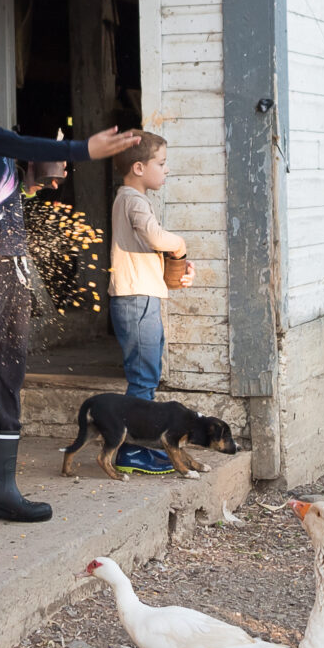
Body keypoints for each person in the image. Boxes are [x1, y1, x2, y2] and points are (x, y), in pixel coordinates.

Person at [0, 41, 141, 529]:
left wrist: (28, 186)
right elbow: (16, 144)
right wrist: (84, 149)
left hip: (9, 264)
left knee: (6, 371)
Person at [106, 131, 191, 472]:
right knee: (143, 377)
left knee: (147, 373)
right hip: (137, 299)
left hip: (141, 296)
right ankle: (129, 451)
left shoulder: (130, 199)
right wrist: (180, 244)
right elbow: (155, 236)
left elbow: (150, 244)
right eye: (162, 162)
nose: (166, 169)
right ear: (139, 167)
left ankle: (139, 446)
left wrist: (174, 262)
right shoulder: (134, 200)